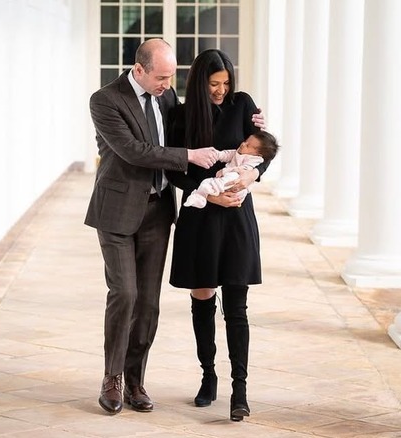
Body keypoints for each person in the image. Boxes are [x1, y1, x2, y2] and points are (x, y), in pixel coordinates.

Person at [85, 39, 263, 416]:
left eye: (171, 77)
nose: (168, 85)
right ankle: (113, 378)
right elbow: (134, 150)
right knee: (125, 293)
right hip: (118, 210)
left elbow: (248, 143)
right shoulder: (105, 100)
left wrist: (254, 147)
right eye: (161, 78)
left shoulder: (166, 98)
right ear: (139, 70)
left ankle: (136, 380)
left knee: (149, 302)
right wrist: (191, 160)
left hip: (158, 211)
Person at [165, 48, 274, 422]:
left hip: (237, 216)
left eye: (226, 83)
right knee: (203, 296)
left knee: (237, 306)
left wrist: (252, 174)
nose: (221, 90)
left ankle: (239, 391)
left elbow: (264, 150)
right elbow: (174, 169)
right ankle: (208, 375)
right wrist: (209, 194)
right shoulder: (181, 116)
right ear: (200, 82)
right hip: (200, 216)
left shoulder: (243, 105)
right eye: (214, 83)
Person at [183, 131, 279, 209]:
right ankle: (202, 196)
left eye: (248, 145)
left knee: (220, 180)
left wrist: (224, 171)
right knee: (208, 182)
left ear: (258, 155)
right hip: (229, 180)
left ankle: (202, 194)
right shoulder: (240, 152)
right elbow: (227, 154)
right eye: (245, 141)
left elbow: (241, 171)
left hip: (236, 183)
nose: (243, 144)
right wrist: (217, 154)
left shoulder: (254, 160)